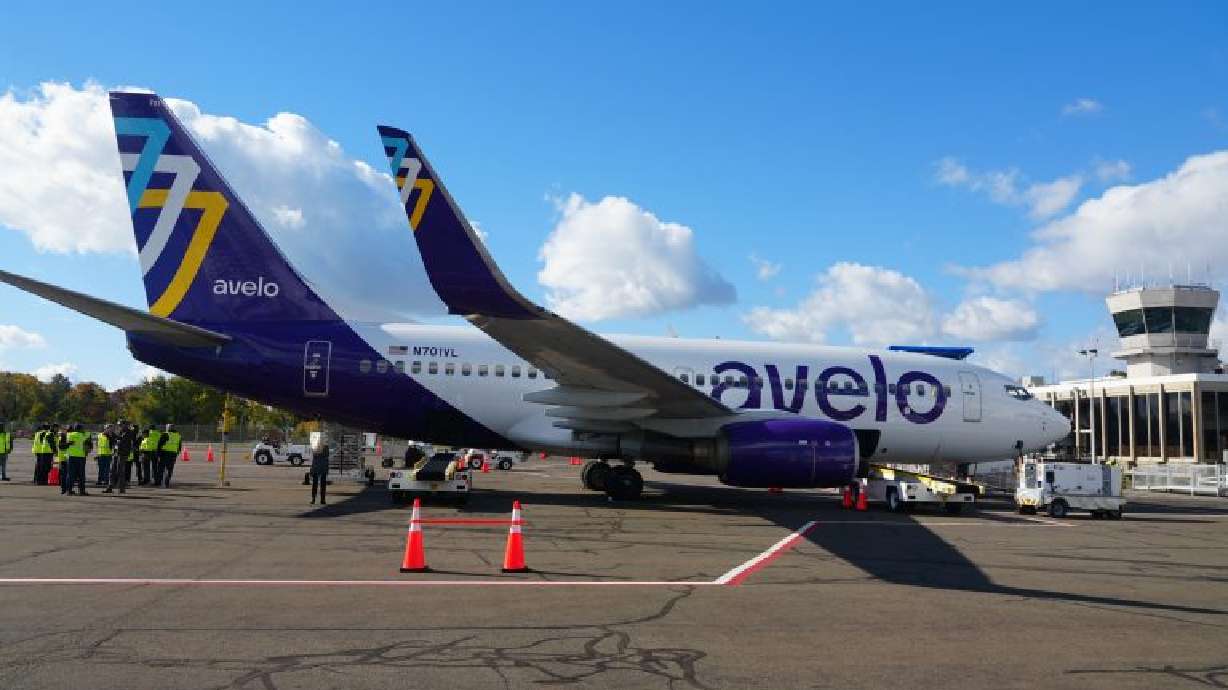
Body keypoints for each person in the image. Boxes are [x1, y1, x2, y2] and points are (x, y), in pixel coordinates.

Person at [64, 423, 91, 496]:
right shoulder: (83, 435)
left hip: (71, 457)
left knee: (70, 474)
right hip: (81, 457)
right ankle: (81, 491)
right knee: (81, 475)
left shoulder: (69, 435)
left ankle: (68, 490)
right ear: (81, 429)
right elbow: (88, 435)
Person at [158, 423, 181, 488]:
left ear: (167, 428)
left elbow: (159, 444)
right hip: (173, 454)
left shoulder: (165, 434)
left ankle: (161, 482)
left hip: (164, 453)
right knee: (170, 468)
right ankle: (167, 481)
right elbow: (179, 446)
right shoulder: (178, 435)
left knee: (161, 468)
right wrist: (176, 453)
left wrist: (158, 454)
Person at [309, 441, 330, 505]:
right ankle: (320, 499)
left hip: (319, 467)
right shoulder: (325, 447)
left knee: (318, 485)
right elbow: (316, 457)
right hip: (320, 467)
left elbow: (315, 457)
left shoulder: (318, 448)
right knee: (320, 485)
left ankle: (317, 499)